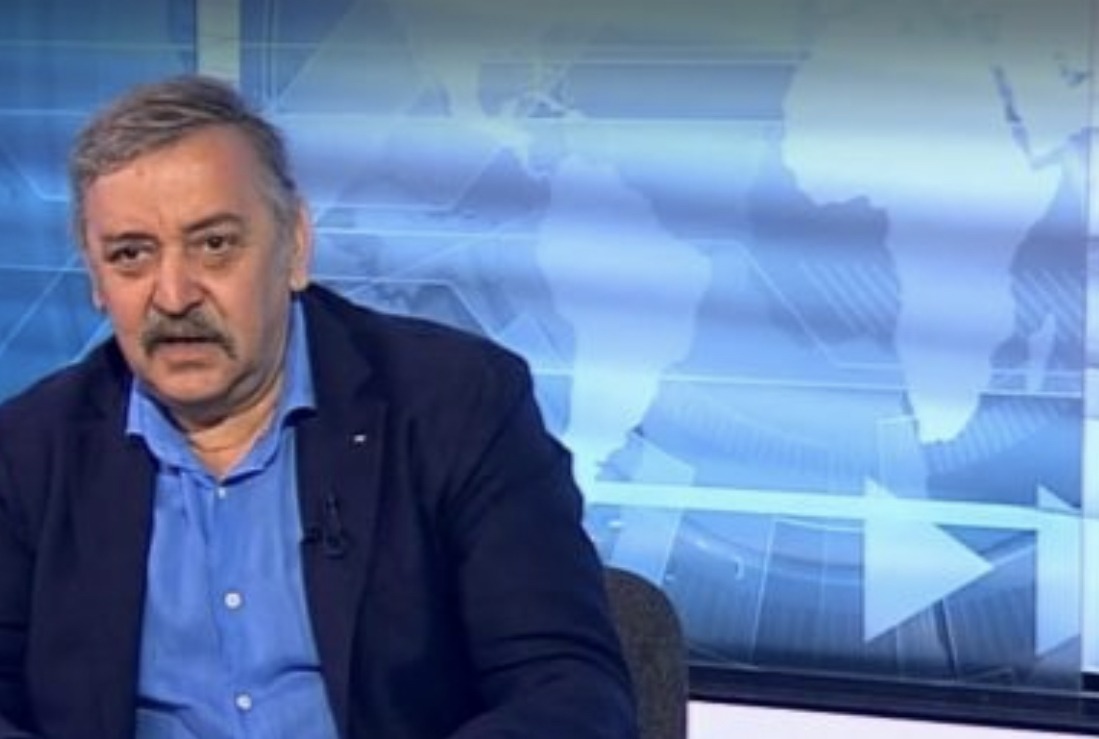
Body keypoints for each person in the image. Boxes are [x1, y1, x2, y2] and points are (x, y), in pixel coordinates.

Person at [0, 75, 637, 739]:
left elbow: (569, 690)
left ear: (295, 247)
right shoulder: (30, 453)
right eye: (131, 254)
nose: (174, 294)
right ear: (95, 279)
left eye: (214, 244)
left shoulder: (455, 405)